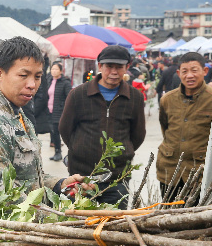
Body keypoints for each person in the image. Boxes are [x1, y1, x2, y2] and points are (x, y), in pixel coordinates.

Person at [0, 37, 87, 223]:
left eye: (37, 77)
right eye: (23, 75)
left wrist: (59, 184)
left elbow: (27, 178)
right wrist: (59, 219)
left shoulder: (18, 115)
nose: (32, 84)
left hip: (24, 234)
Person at [59, 45, 146, 205]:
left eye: (119, 67)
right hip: (81, 176)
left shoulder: (135, 97)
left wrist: (124, 152)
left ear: (127, 67)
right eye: (109, 67)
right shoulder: (78, 94)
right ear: (100, 66)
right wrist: (79, 148)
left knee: (113, 225)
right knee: (78, 224)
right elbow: (65, 129)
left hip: (117, 178)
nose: (114, 72)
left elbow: (138, 134)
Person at [156, 52, 212, 195]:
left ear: (205, 71)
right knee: (167, 215)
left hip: (200, 173)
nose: (189, 75)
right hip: (170, 171)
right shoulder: (167, 99)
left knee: (200, 217)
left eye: (194, 70)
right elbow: (166, 129)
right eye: (185, 71)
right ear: (178, 73)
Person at [45, 62, 71, 161]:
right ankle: (57, 152)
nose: (54, 71)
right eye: (52, 69)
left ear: (61, 71)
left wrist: (62, 106)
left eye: (56, 69)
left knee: (57, 132)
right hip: (49, 111)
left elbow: (69, 97)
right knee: (53, 132)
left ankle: (60, 152)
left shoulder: (65, 83)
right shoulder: (49, 81)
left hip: (59, 111)